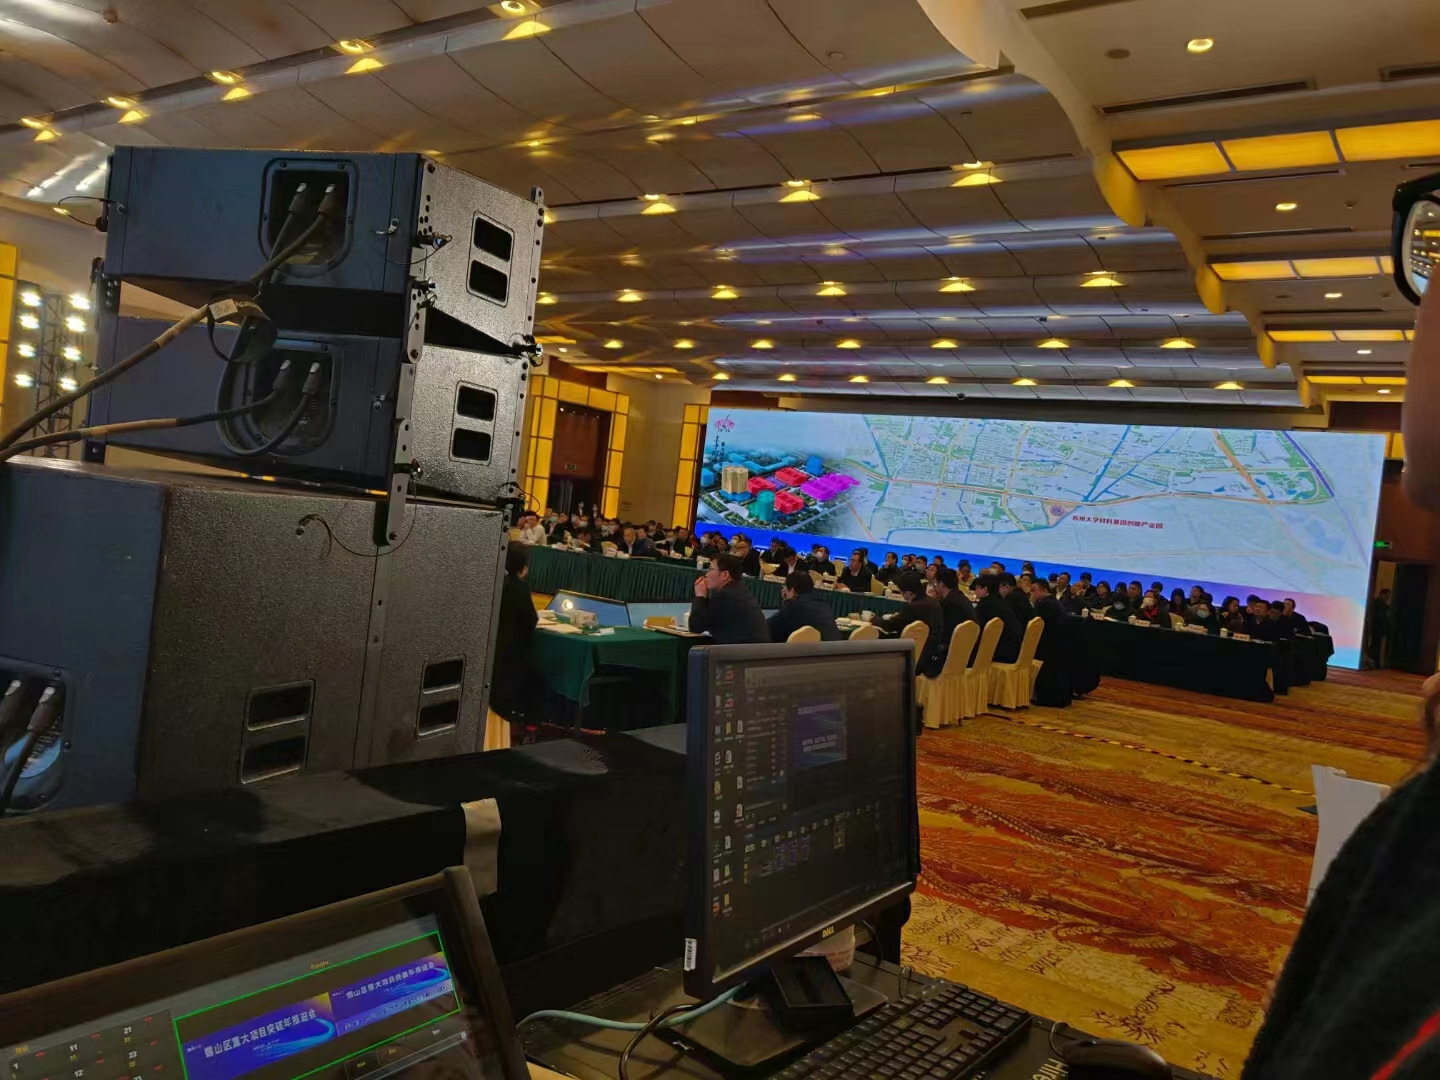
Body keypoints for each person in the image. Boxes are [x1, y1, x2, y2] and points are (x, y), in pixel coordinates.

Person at [490, 543, 539, 723]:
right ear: (524, 568)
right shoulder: (519, 587)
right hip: (510, 655)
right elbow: (531, 620)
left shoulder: (493, 581)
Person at [690, 553, 769, 644]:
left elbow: (696, 626)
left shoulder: (725, 595)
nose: (706, 574)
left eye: (711, 569)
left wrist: (700, 595)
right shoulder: (738, 590)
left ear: (725, 574)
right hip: (754, 649)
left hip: (740, 650)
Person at [881, 571, 944, 676]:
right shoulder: (934, 602)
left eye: (901, 592)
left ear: (909, 593)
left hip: (916, 657)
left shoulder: (913, 607)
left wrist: (874, 620)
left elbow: (892, 625)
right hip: (932, 655)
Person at [1029, 579, 1073, 707]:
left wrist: (1031, 604)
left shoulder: (1046, 604)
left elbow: (1036, 623)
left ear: (1043, 590)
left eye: (1034, 590)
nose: (1032, 594)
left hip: (1050, 645)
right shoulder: (1051, 601)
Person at [767, 572, 841, 642]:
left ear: (792, 591)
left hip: (814, 649)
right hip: (835, 648)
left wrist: (786, 601)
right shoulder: (823, 604)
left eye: (785, 588)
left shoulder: (793, 605)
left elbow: (766, 627)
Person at [973, 573, 1024, 663]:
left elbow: (977, 631)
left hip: (998, 655)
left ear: (985, 589)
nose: (975, 591)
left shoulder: (984, 605)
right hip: (1013, 651)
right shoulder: (1001, 601)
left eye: (977, 588)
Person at [932, 567, 977, 662]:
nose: (934, 587)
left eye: (935, 584)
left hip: (954, 654)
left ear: (941, 584)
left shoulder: (950, 603)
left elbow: (944, 633)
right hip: (968, 651)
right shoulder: (960, 597)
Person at [1367, 589, 1391, 667]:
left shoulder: (1383, 605)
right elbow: (1378, 617)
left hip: (1379, 629)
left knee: (1377, 646)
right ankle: (1373, 662)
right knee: (1375, 646)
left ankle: (1375, 662)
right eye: (1387, 596)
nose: (1387, 598)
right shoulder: (1377, 604)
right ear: (1382, 594)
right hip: (1376, 629)